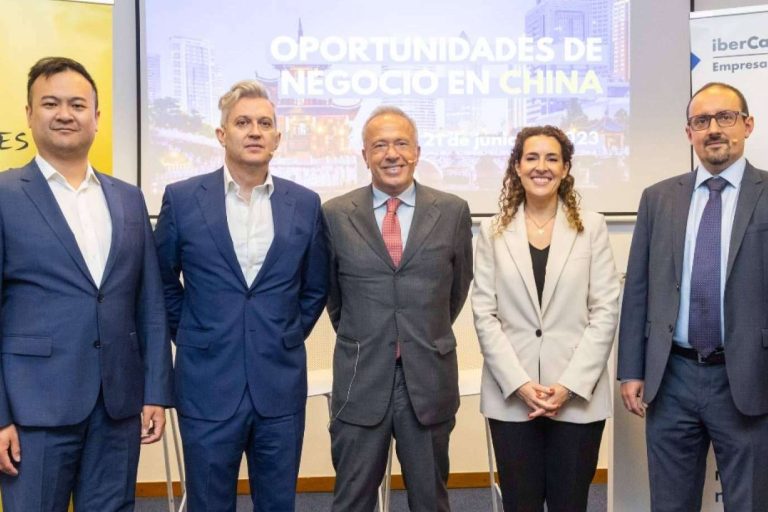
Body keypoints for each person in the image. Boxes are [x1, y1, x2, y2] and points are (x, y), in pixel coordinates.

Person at [0, 56, 173, 511]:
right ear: (29, 114)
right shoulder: (4, 195)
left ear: (96, 117)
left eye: (77, 104)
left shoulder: (128, 198)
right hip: (33, 409)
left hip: (117, 406)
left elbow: (150, 304)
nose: (64, 114)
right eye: (51, 103)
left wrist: (155, 392)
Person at [154, 79, 328, 511]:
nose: (254, 131)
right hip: (206, 382)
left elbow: (316, 287)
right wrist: (196, 333)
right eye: (243, 122)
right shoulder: (182, 198)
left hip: (279, 384)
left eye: (264, 123)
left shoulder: (305, 203)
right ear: (222, 134)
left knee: (277, 504)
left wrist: (284, 333)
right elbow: (161, 281)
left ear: (277, 138)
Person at [618, 82, 768, 511]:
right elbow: (638, 290)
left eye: (725, 117)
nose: (713, 129)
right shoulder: (658, 198)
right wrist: (631, 368)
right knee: (669, 502)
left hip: (748, 377)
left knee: (751, 501)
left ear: (747, 125)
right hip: (673, 377)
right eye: (701, 121)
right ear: (689, 133)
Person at [323, 106, 473, 512]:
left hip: (427, 378)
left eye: (401, 143)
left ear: (417, 151)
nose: (391, 154)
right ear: (365, 156)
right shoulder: (335, 215)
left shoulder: (453, 211)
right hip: (361, 376)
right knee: (352, 500)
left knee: (430, 499)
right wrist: (370, 335)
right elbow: (333, 296)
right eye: (379, 145)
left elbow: (455, 290)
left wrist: (417, 333)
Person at [472, 125, 619, 511]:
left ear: (566, 168)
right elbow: (484, 314)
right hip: (511, 397)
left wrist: (568, 386)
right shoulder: (492, 231)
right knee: (520, 503)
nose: (542, 167)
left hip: (576, 396)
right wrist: (520, 384)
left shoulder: (592, 227)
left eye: (552, 158)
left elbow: (605, 311)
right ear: (517, 168)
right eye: (532, 158)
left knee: (571, 503)